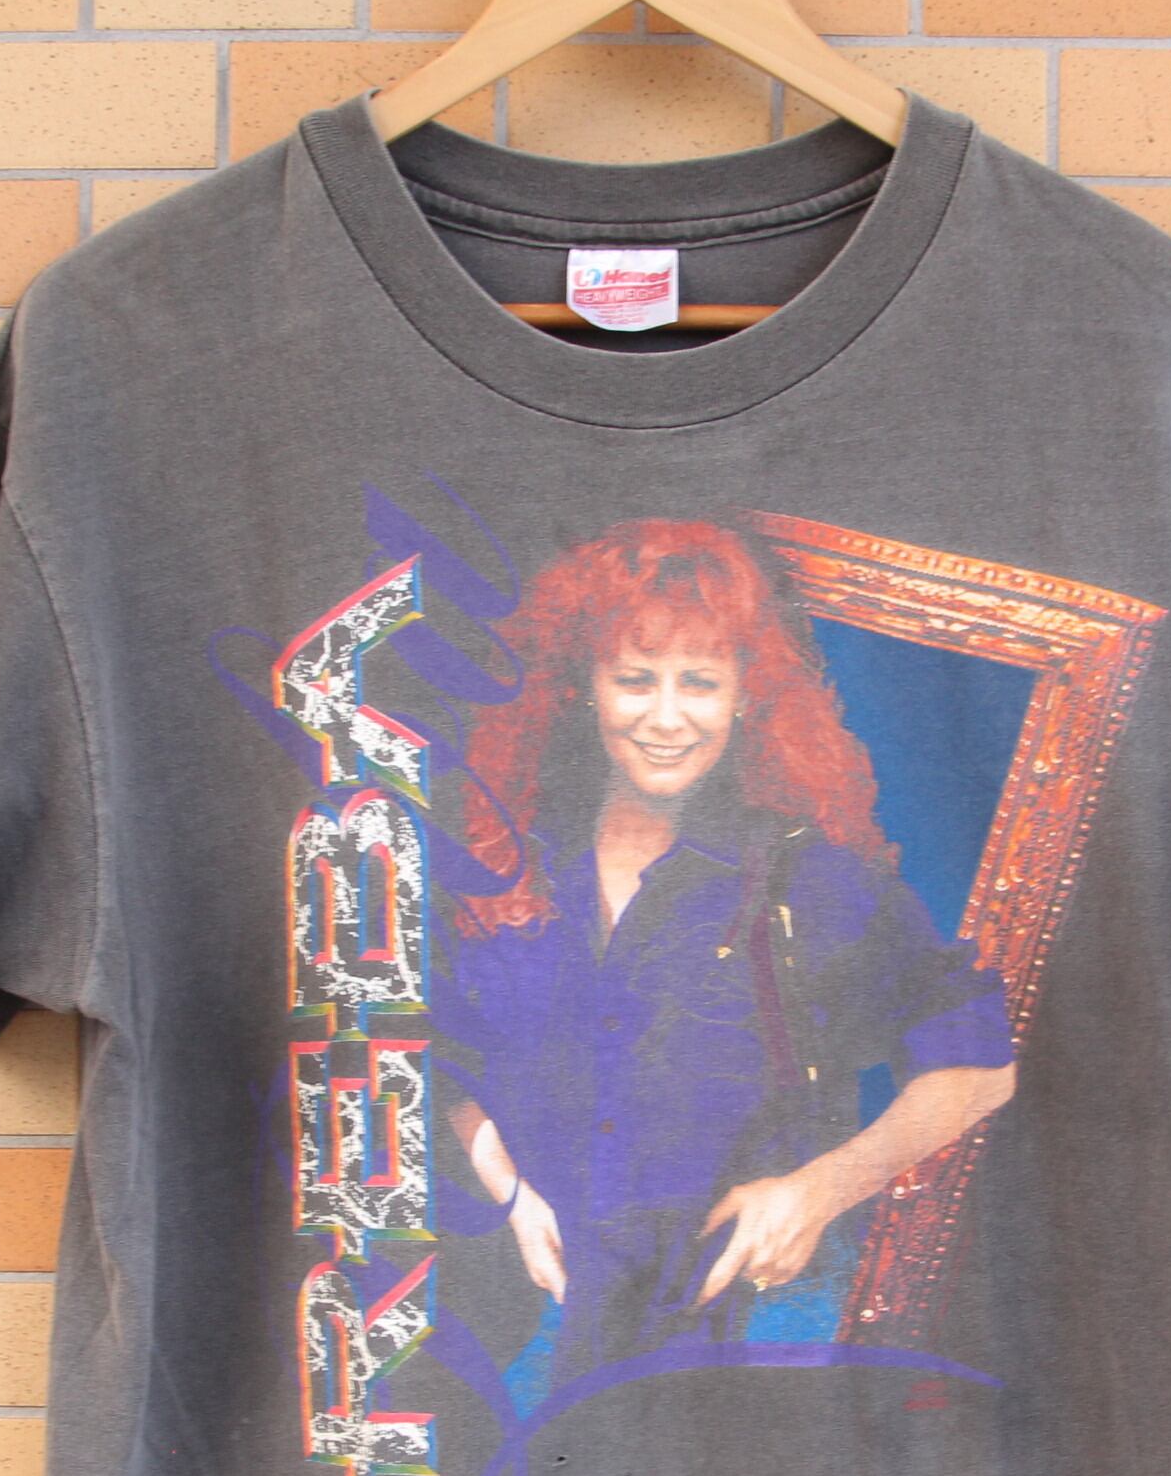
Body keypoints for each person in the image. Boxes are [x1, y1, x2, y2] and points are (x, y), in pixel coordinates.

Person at [431, 516, 1018, 1403]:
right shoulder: (506, 860)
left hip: (738, 1351)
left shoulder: (806, 880)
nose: (666, 717)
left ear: (747, 693)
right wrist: (508, 1186)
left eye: (700, 682)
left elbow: (981, 1067)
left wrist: (818, 1191)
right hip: (528, 1347)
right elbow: (441, 1058)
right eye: (635, 679)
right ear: (583, 686)